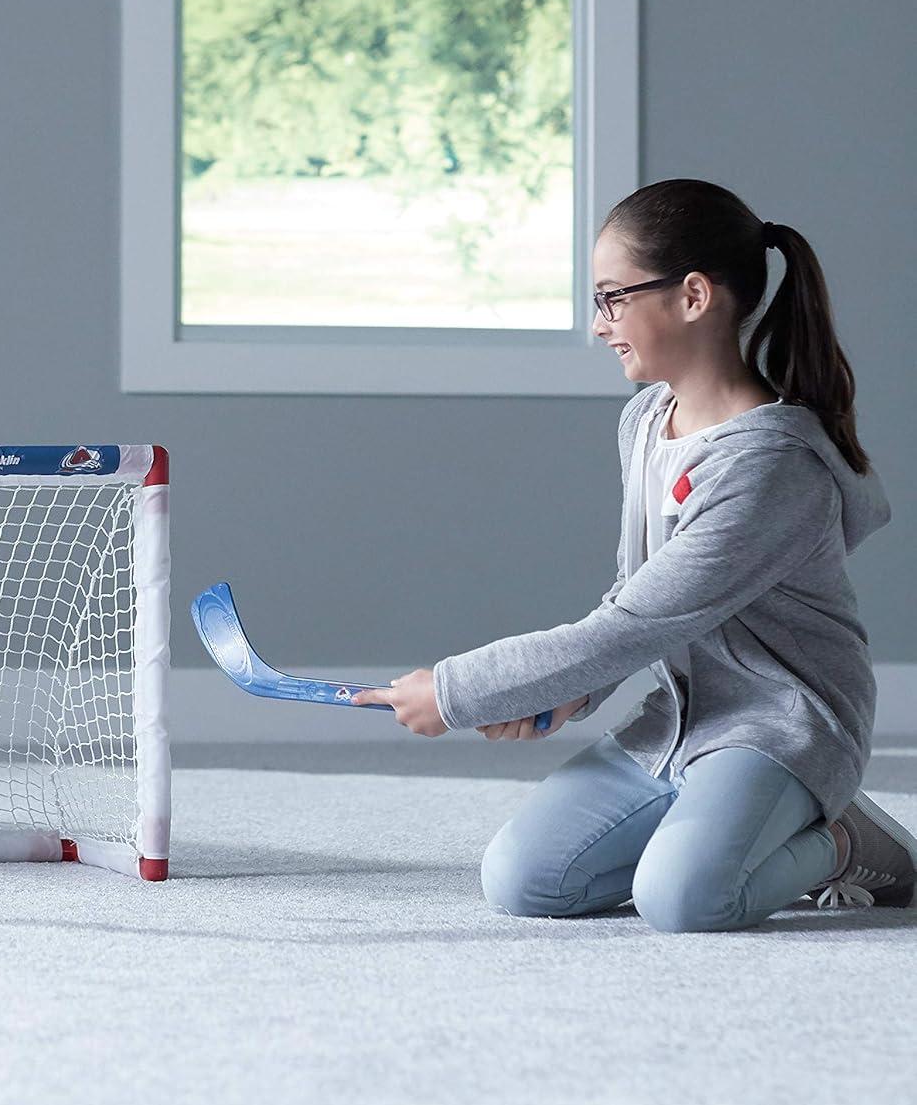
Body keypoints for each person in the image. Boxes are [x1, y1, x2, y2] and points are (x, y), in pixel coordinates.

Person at [353, 178, 914, 932]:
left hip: (780, 723)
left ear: (693, 296)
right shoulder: (646, 420)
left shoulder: (770, 466)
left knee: (684, 899)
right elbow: (636, 596)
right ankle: (733, 821)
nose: (599, 326)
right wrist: (571, 691)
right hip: (678, 719)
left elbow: (634, 625)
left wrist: (457, 692)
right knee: (525, 880)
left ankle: (844, 841)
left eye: (612, 299)